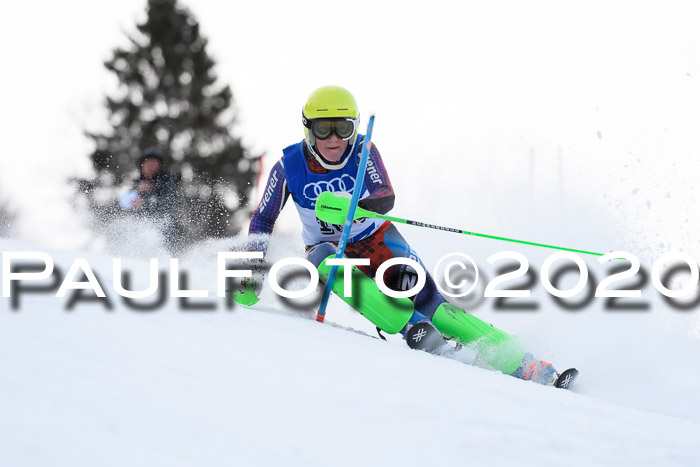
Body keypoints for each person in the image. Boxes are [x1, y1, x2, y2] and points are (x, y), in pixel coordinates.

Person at [243, 85, 565, 387]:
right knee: (326, 263)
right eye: (322, 128)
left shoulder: (363, 150)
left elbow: (385, 195)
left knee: (426, 299)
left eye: (342, 128)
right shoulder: (289, 166)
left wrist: (356, 207)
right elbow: (263, 218)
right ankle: (412, 327)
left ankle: (527, 365)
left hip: (376, 239)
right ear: (307, 128)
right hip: (327, 248)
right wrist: (251, 269)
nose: (333, 139)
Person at [119, 148, 177, 246]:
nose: (150, 166)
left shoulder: (167, 182)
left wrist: (146, 202)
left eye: (154, 163)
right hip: (136, 233)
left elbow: (169, 203)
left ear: (160, 166)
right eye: (147, 163)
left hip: (160, 235)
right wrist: (135, 198)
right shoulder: (136, 184)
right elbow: (122, 203)